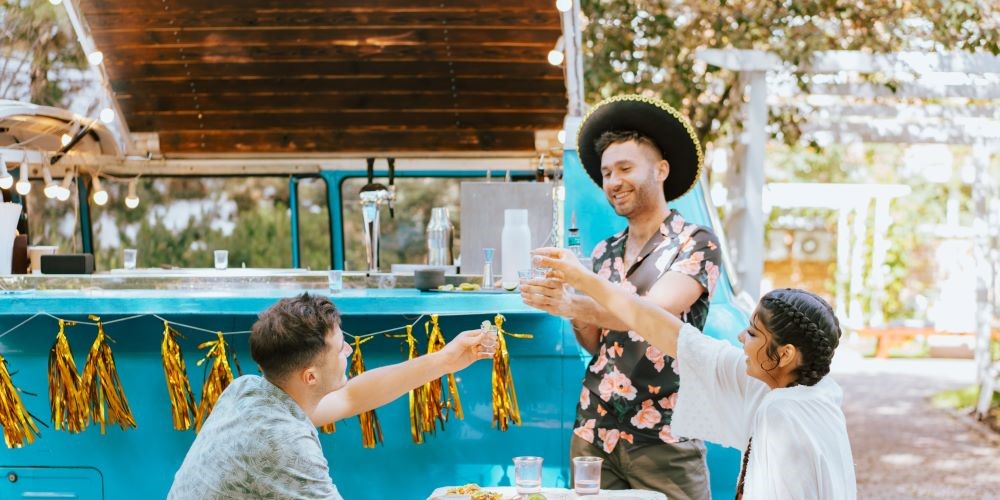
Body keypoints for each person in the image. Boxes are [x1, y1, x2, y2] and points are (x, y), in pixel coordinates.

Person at [533, 247, 858, 499]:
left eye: (754, 334)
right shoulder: (791, 387)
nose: (741, 337)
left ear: (785, 354)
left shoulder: (785, 413)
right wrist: (582, 280)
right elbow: (666, 329)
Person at [521, 95, 721, 498]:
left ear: (661, 170)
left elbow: (650, 315)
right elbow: (595, 341)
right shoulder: (604, 251)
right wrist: (570, 307)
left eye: (625, 168)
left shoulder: (695, 243)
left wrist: (576, 294)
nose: (613, 181)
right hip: (594, 430)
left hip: (667, 435)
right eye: (607, 172)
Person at [168, 293, 492, 499]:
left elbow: (352, 397)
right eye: (341, 348)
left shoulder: (248, 390)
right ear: (310, 376)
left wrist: (446, 360)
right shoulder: (285, 444)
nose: (349, 351)